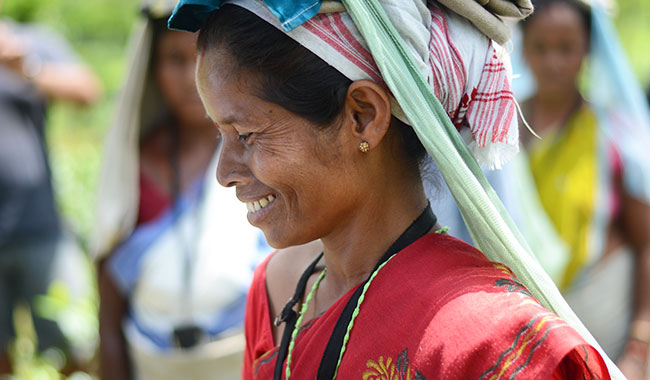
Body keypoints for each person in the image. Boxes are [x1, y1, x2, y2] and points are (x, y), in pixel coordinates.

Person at [168, 0, 616, 378]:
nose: (223, 172)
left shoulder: (489, 342)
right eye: (219, 135)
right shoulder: (277, 292)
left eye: (246, 134)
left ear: (363, 115)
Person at [93, 2, 269, 379]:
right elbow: (109, 297)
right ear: (153, 70)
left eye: (202, 56)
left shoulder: (265, 157)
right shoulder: (134, 166)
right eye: (174, 59)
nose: (193, 76)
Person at [520, 0, 650, 378]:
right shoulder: (501, 134)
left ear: (588, 49)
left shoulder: (613, 136)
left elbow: (646, 244)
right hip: (528, 326)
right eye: (541, 48)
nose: (553, 62)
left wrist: (640, 345)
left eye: (566, 48)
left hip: (603, 326)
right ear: (523, 48)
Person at [0, 8, 101, 374]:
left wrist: (24, 67)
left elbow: (87, 90)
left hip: (41, 228)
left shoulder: (29, 43)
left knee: (72, 345)